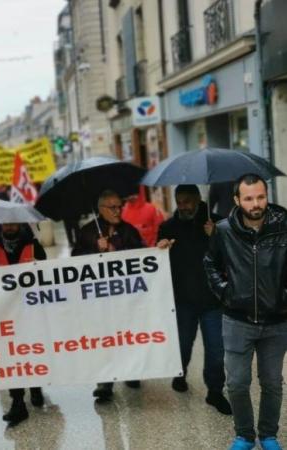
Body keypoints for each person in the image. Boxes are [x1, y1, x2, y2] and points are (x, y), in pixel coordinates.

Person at [204, 174, 287, 450]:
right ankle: (244, 436)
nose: (256, 203)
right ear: (237, 200)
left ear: (267, 196)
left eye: (261, 197)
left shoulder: (284, 227)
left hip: (277, 320)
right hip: (237, 320)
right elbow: (210, 264)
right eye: (249, 198)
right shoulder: (224, 230)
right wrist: (225, 292)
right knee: (237, 384)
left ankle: (268, 435)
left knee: (273, 383)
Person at [156, 185, 231, 415]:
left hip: (213, 301)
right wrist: (160, 250)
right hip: (182, 300)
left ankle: (215, 391)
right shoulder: (168, 227)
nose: (183, 206)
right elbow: (157, 265)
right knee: (182, 344)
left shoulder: (218, 223)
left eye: (188, 201)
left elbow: (232, 259)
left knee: (216, 350)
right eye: (179, 201)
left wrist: (217, 238)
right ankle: (181, 373)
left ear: (199, 199)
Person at [72, 189, 145, 401]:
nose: (117, 210)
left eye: (119, 206)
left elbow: (142, 255)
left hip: (125, 297)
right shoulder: (87, 232)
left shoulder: (129, 230)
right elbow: (75, 261)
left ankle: (132, 372)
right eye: (112, 207)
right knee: (105, 339)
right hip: (99, 299)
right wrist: (96, 250)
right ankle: (105, 382)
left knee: (128, 335)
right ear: (101, 209)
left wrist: (116, 252)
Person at [0, 223, 47, 426]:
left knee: (30, 348)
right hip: (5, 307)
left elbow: (45, 264)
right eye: (6, 223)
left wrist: (38, 258)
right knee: (11, 353)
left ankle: (36, 386)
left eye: (13, 223)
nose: (9, 226)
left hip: (29, 306)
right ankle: (18, 402)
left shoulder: (31, 238)